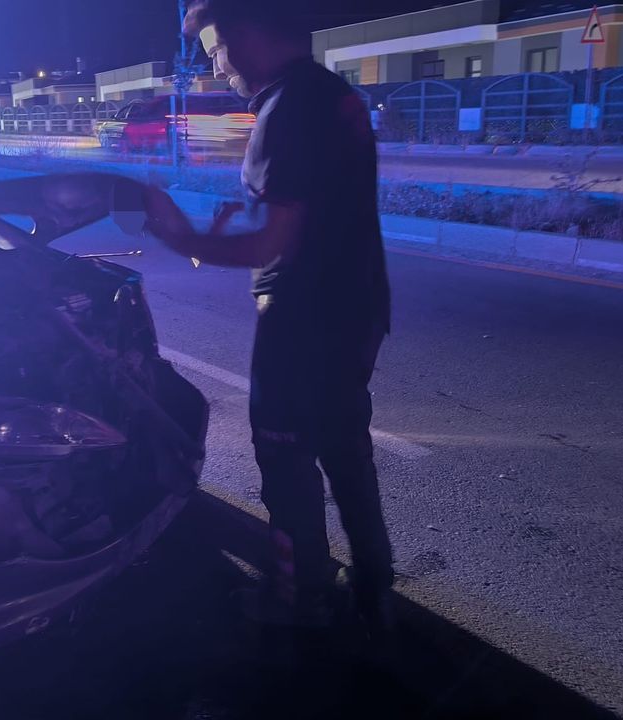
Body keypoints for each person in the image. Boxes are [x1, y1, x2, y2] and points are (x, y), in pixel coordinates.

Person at [143, 0, 394, 632]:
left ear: (249, 36)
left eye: (217, 50)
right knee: (346, 450)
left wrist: (182, 239)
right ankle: (374, 588)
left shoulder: (283, 110)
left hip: (301, 319)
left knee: (284, 461)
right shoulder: (332, 94)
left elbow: (270, 244)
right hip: (357, 306)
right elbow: (311, 211)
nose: (217, 67)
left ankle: (300, 598)